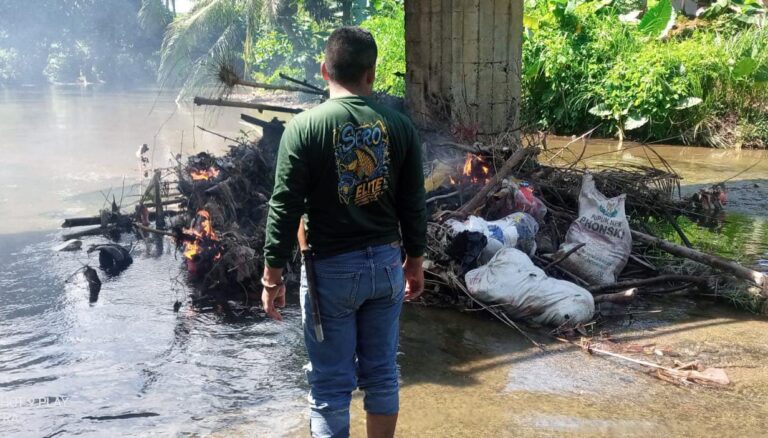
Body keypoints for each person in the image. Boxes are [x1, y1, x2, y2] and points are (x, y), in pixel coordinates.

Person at [261, 27, 427, 438]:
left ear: (323, 70)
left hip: (330, 274)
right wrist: (415, 261)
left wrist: (272, 277)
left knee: (330, 386)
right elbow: (413, 201)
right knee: (383, 375)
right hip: (387, 267)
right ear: (371, 74)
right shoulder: (399, 125)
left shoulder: (303, 128)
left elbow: (284, 207)